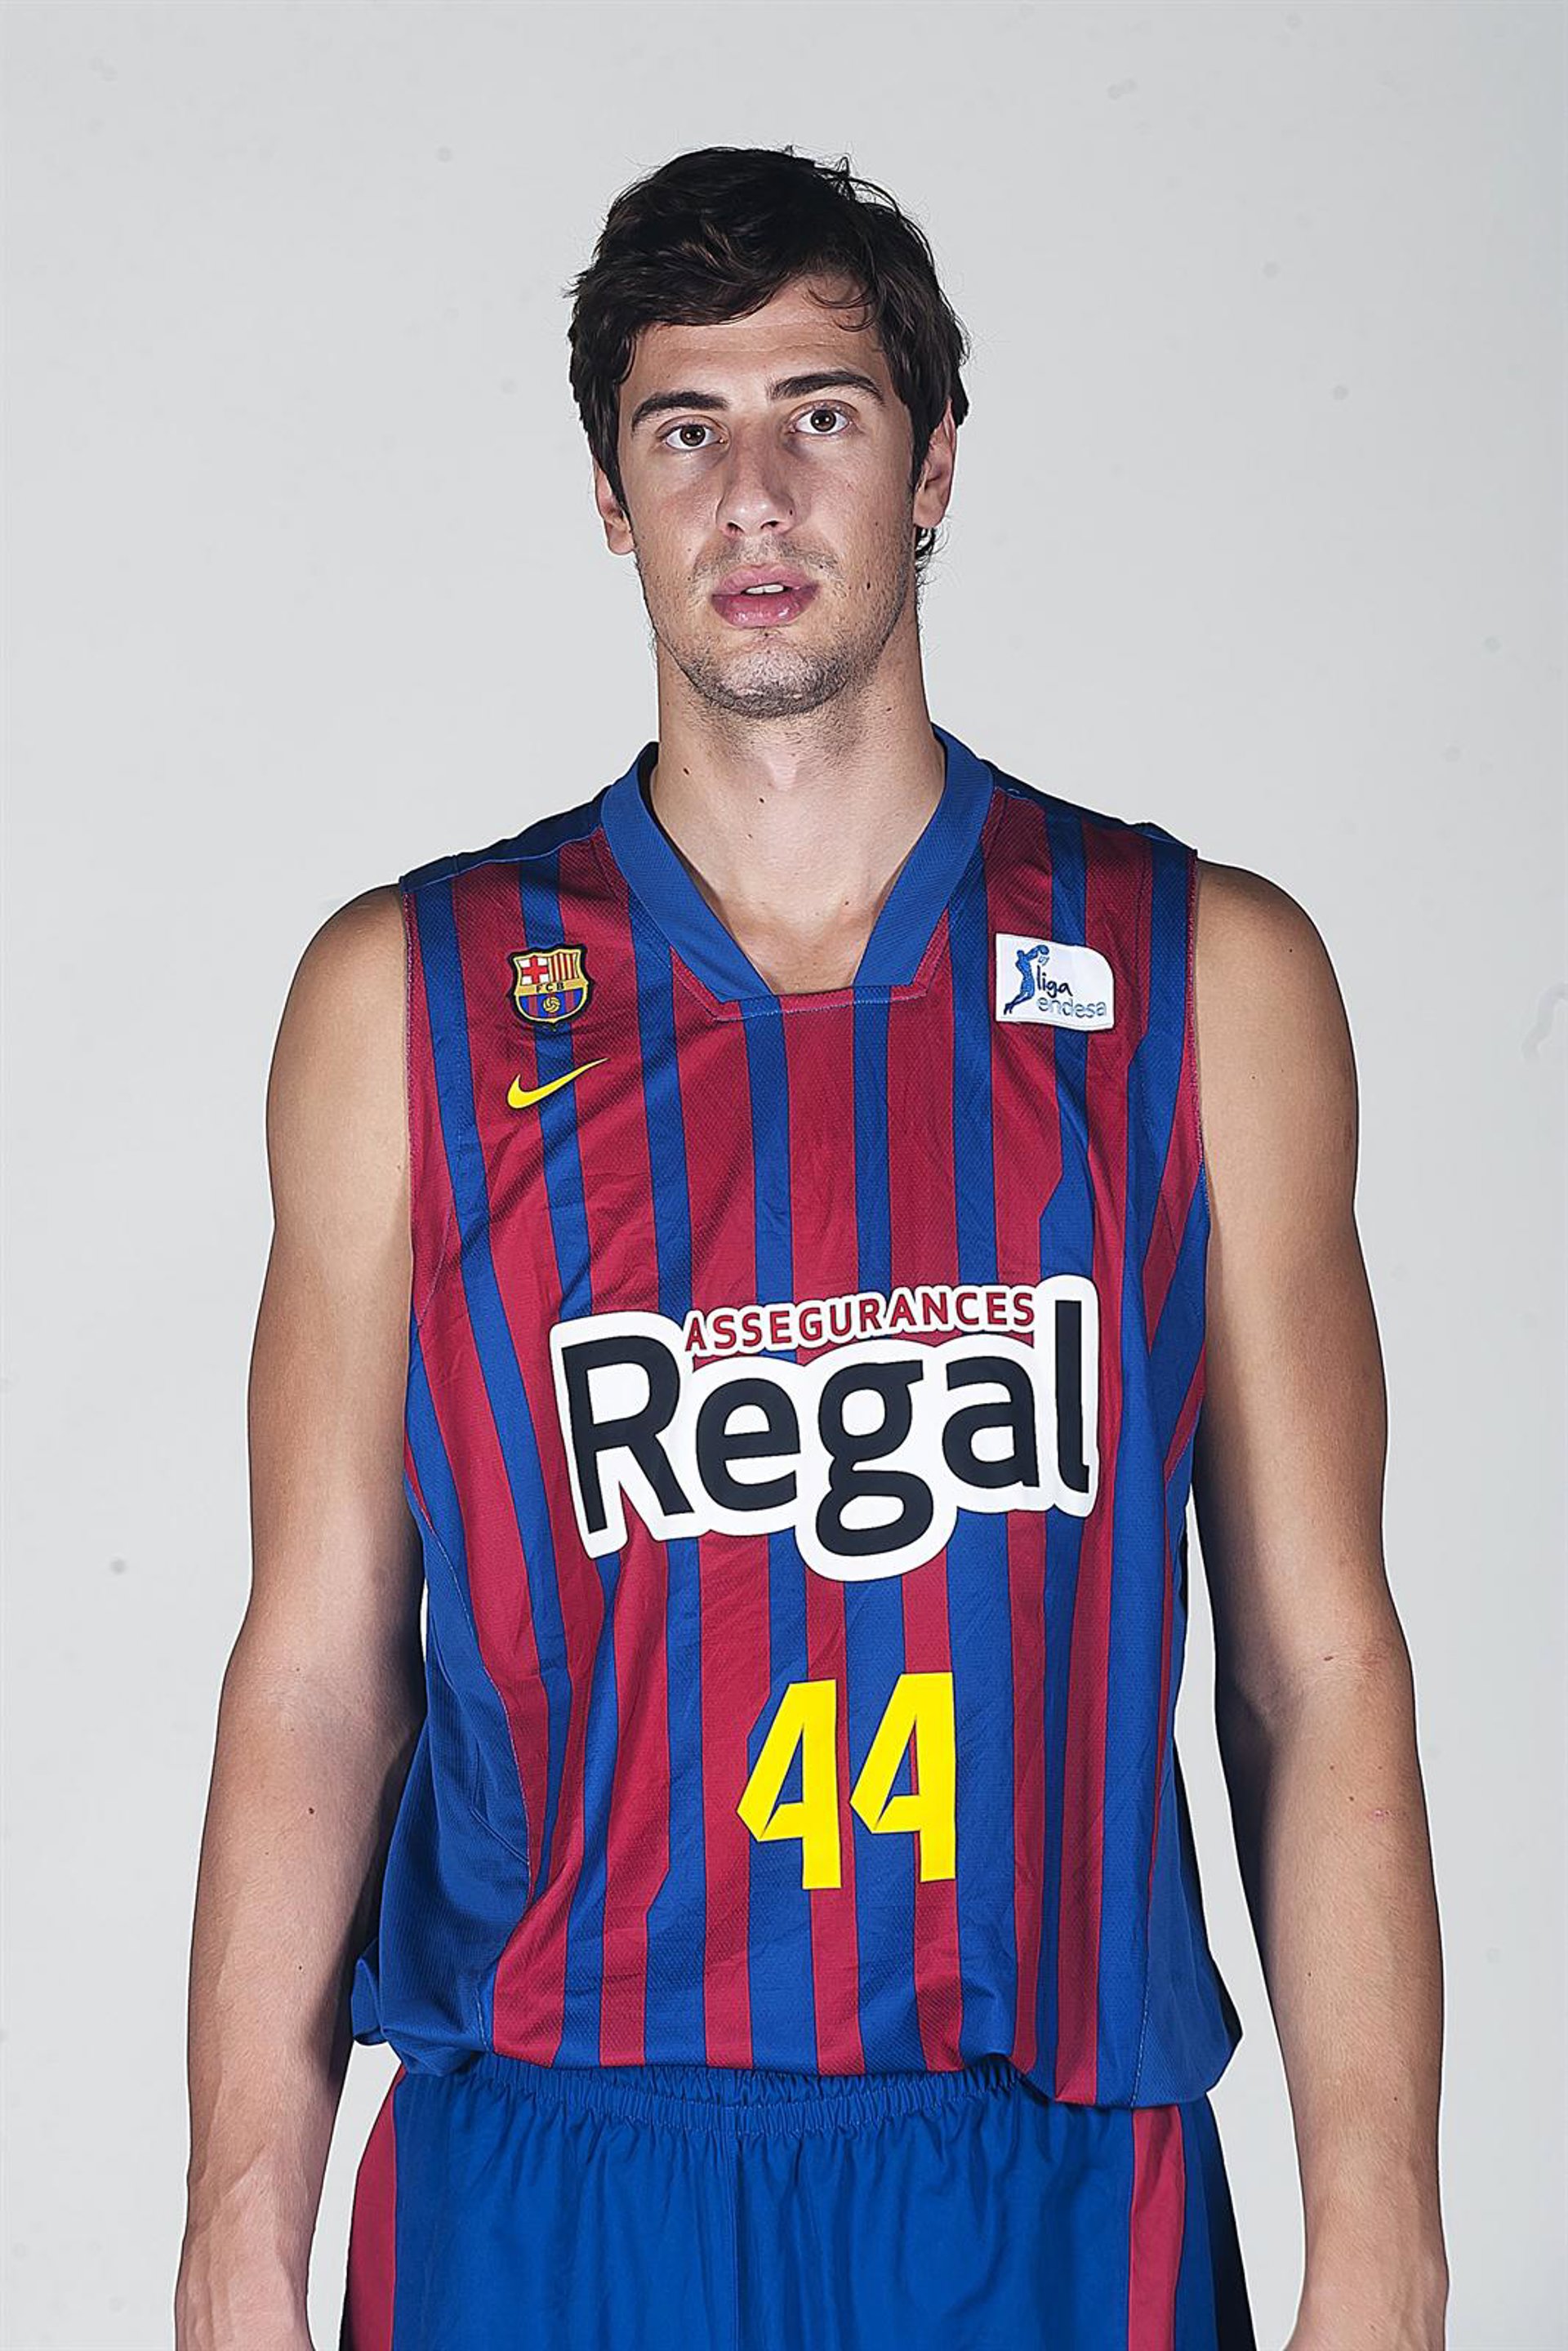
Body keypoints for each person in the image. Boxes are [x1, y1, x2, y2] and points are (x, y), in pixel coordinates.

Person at [175, 146, 1450, 2351]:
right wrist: (232, 2237)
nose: (752, 497)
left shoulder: (1198, 977)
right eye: (686, 429)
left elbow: (1315, 1662)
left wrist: (1387, 2243)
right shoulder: (411, 1002)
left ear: (933, 462)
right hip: (552, 2172)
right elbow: (316, 1663)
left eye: (821, 415)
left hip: (1041, 2176)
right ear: (612, 496)